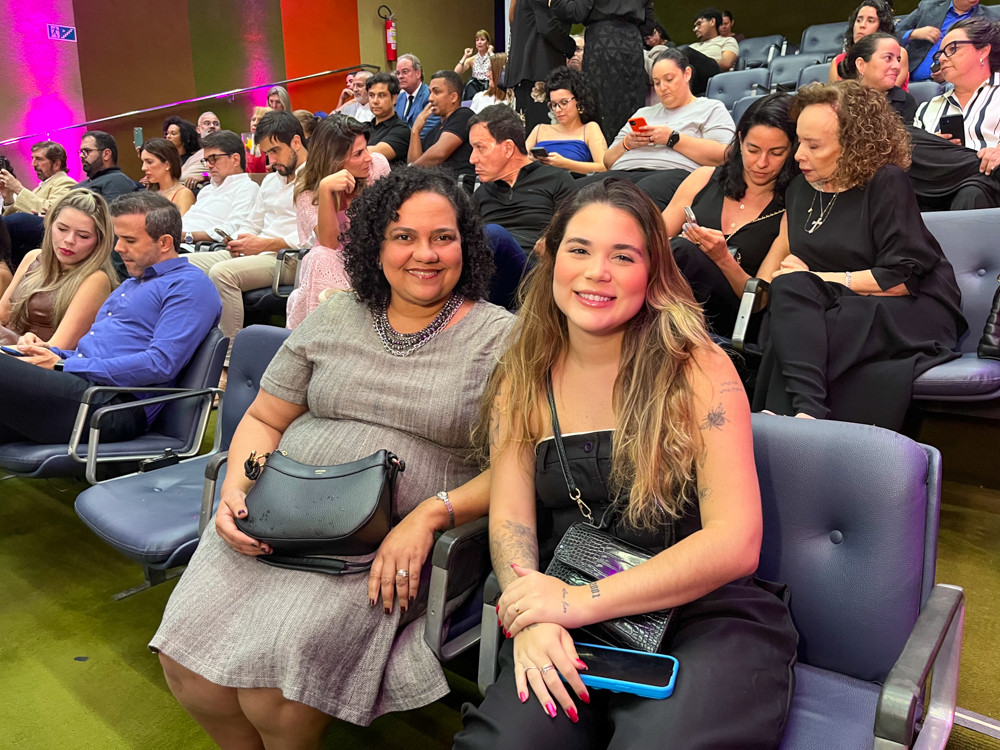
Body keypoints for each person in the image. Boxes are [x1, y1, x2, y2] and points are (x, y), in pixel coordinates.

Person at [150, 167, 513, 745]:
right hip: (280, 514)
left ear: (465, 245)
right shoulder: (336, 314)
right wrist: (237, 488)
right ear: (375, 245)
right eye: (403, 236)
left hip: (386, 544)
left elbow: (517, 466)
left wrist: (429, 515)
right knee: (186, 662)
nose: (425, 254)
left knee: (276, 691)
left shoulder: (502, 338)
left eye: (443, 237)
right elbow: (266, 419)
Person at [454, 178, 797, 749]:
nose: (597, 272)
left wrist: (574, 603)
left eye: (623, 256)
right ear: (552, 256)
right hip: (568, 606)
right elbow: (512, 521)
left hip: (701, 614)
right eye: (580, 249)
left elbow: (736, 542)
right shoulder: (522, 377)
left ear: (652, 271)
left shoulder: (697, 367)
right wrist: (534, 613)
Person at [751, 81, 965, 430]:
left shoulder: (886, 181)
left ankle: (794, 419)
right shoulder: (799, 189)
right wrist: (806, 280)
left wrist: (815, 278)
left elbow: (901, 279)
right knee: (791, 298)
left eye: (814, 145)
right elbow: (801, 275)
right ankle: (808, 412)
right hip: (840, 304)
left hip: (911, 307)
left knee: (808, 321)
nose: (798, 155)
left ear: (853, 145)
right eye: (799, 141)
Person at [0, 192, 221, 445]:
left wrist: (62, 365)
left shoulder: (189, 286)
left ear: (164, 242)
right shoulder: (132, 283)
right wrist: (51, 354)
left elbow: (160, 364)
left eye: (129, 240)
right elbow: (90, 356)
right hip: (83, 390)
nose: (118, 248)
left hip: (112, 405)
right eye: (119, 238)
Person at [663, 93, 797, 335]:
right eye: (753, 150)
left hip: (736, 316)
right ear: (740, 141)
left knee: (682, 251)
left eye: (776, 153)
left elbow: (759, 300)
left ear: (792, 151)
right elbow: (652, 243)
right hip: (675, 299)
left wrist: (722, 258)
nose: (762, 163)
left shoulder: (791, 206)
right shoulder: (704, 178)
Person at [186, 111, 307, 364]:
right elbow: (253, 223)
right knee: (181, 264)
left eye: (275, 151)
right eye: (267, 153)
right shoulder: (271, 181)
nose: (271, 161)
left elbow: (313, 237)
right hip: (261, 251)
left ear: (296, 142)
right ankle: (189, 349)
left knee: (222, 273)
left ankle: (227, 362)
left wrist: (263, 244)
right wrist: (239, 239)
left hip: (291, 258)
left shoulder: (316, 178)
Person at [589, 49, 736, 210]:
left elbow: (725, 156)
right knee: (575, 192)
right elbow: (607, 161)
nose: (662, 88)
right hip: (622, 173)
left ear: (687, 74)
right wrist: (626, 143)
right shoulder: (642, 113)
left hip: (672, 173)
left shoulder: (710, 108)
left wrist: (672, 138)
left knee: (632, 200)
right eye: (657, 83)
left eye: (669, 79)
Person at [286, 115, 390, 328]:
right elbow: (330, 244)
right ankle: (335, 330)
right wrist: (325, 191)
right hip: (336, 266)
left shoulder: (377, 167)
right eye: (358, 154)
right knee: (319, 256)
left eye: (366, 148)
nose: (368, 158)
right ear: (334, 160)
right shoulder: (308, 192)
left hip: (376, 260)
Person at [469, 104, 576, 305]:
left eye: (480, 148)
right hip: (489, 277)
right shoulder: (481, 194)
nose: (472, 159)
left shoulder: (556, 179)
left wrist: (553, 241)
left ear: (508, 148)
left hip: (535, 275)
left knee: (493, 234)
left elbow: (575, 228)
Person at [0, 190, 117, 348]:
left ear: (100, 240)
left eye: (83, 236)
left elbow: (56, 349)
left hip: (33, 359)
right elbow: (2, 315)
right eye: (62, 229)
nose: (69, 240)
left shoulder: (96, 279)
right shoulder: (33, 257)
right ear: (50, 224)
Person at [548, 0, 655, 143]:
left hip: (602, 43)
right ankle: (631, 151)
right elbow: (649, 26)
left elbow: (577, 13)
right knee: (633, 108)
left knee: (601, 109)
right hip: (632, 45)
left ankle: (605, 153)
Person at [914, 18, 1000, 174]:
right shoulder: (926, 109)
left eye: (953, 48)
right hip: (939, 181)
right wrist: (930, 146)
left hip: (988, 179)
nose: (942, 58)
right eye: (940, 53)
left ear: (983, 51)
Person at [180, 130, 261, 246]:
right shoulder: (206, 190)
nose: (208, 165)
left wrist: (186, 236)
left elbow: (231, 230)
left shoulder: (247, 188)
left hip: (199, 247)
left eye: (213, 159)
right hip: (178, 242)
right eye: (206, 160)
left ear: (235, 159)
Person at [506, 0, 576, 132]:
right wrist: (570, 47)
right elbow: (547, 27)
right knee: (543, 133)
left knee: (521, 134)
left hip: (518, 74)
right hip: (538, 71)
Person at [526, 66, 608, 176]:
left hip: (574, 184)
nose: (558, 110)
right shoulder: (539, 130)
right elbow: (517, 161)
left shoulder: (589, 129)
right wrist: (530, 161)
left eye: (564, 103)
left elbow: (604, 167)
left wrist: (565, 163)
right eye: (553, 104)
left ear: (578, 100)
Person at [896, 0, 997, 82]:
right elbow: (893, 33)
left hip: (953, 82)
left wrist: (952, 70)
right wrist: (913, 33)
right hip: (908, 76)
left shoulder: (990, 19)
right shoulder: (929, 6)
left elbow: (989, 56)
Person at [408, 71, 475, 180]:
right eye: (430, 92)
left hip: (458, 186)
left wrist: (409, 171)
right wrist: (415, 131)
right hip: (434, 186)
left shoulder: (464, 115)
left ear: (453, 97)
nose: (430, 98)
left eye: (436, 92)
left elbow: (439, 154)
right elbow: (415, 164)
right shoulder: (434, 131)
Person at [829, 1, 910, 89]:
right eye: (859, 20)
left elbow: (888, 92)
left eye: (870, 21)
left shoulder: (897, 55)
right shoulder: (838, 61)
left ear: (881, 28)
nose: (862, 25)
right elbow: (835, 96)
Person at [837, 33, 917, 121]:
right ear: (861, 65)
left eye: (898, 60)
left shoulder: (905, 101)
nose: (897, 66)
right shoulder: (836, 101)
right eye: (888, 58)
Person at [1, 141, 77, 218]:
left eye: (39, 159)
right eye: (33, 158)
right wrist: (8, 198)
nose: (33, 164)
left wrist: (18, 189)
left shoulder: (66, 182)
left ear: (56, 164)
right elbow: (16, 219)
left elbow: (52, 213)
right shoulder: (37, 189)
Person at [76, 131, 141, 201]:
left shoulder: (117, 182)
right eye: (81, 151)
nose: (81, 155)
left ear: (106, 154)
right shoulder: (83, 184)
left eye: (87, 151)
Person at [366, 72, 412, 169]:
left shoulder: (401, 130)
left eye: (381, 95)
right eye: (371, 95)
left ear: (394, 98)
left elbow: (371, 155)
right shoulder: (363, 127)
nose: (375, 101)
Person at [139, 138, 196, 215]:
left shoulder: (184, 194)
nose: (143, 168)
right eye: (143, 162)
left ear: (167, 165)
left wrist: (204, 176)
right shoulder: (150, 192)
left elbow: (206, 173)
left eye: (149, 162)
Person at [395, 54, 439, 137]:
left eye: (405, 72)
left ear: (418, 73)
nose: (400, 76)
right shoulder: (399, 97)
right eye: (398, 73)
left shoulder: (430, 96)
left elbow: (426, 131)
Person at [689, 7, 739, 74]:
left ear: (712, 22)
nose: (695, 29)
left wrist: (697, 59)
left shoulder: (727, 41)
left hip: (712, 77)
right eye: (695, 26)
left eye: (699, 24)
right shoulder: (692, 46)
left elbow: (726, 63)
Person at [183, 111, 223, 190]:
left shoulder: (222, 150)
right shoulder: (195, 155)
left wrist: (204, 176)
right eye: (207, 123)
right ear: (198, 129)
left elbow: (225, 174)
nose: (212, 126)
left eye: (216, 124)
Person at [455, 29, 494, 100]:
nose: (479, 42)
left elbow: (497, 66)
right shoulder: (472, 59)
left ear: (487, 43)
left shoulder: (492, 57)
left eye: (482, 39)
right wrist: (465, 56)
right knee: (470, 83)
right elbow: (456, 72)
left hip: (489, 86)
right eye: (477, 40)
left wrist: (491, 52)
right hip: (475, 88)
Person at [162, 116, 203, 185]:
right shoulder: (163, 160)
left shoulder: (194, 159)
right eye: (167, 133)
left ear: (185, 138)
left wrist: (203, 176)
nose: (168, 136)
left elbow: (208, 173)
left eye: (173, 133)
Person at [245, 106, 272, 174]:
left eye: (260, 120)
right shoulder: (247, 143)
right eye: (253, 119)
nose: (255, 123)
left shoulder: (275, 144)